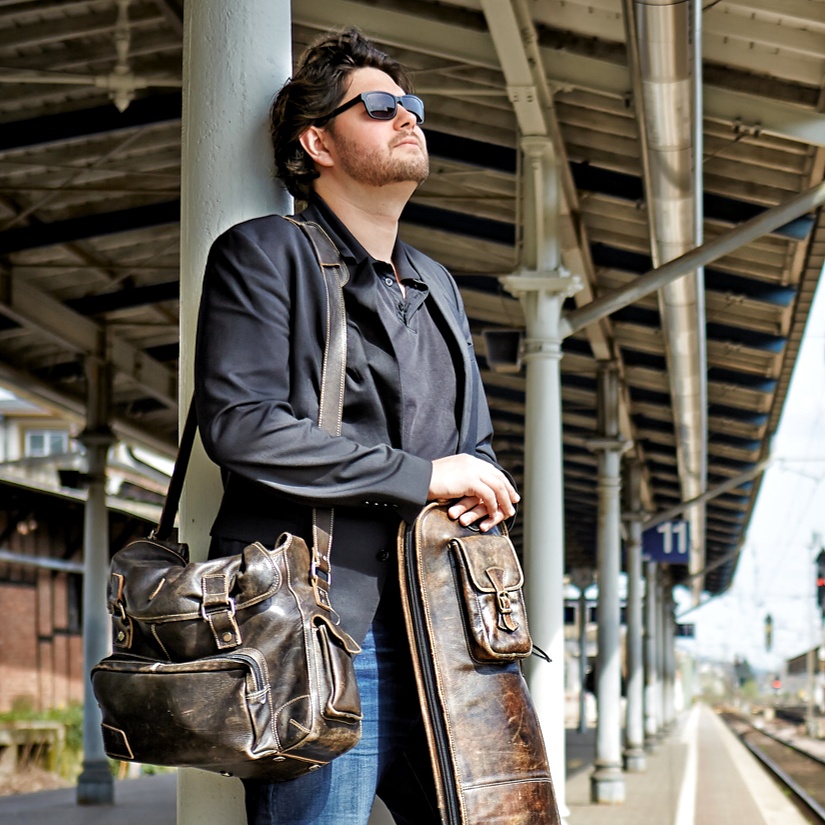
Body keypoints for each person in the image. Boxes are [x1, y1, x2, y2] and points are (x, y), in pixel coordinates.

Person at [194, 27, 519, 825]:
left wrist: (478, 479)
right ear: (318, 141)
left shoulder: (438, 285)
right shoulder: (264, 253)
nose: (407, 117)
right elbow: (241, 427)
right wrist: (423, 476)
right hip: (319, 634)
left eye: (411, 105)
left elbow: (468, 441)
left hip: (445, 634)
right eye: (379, 106)